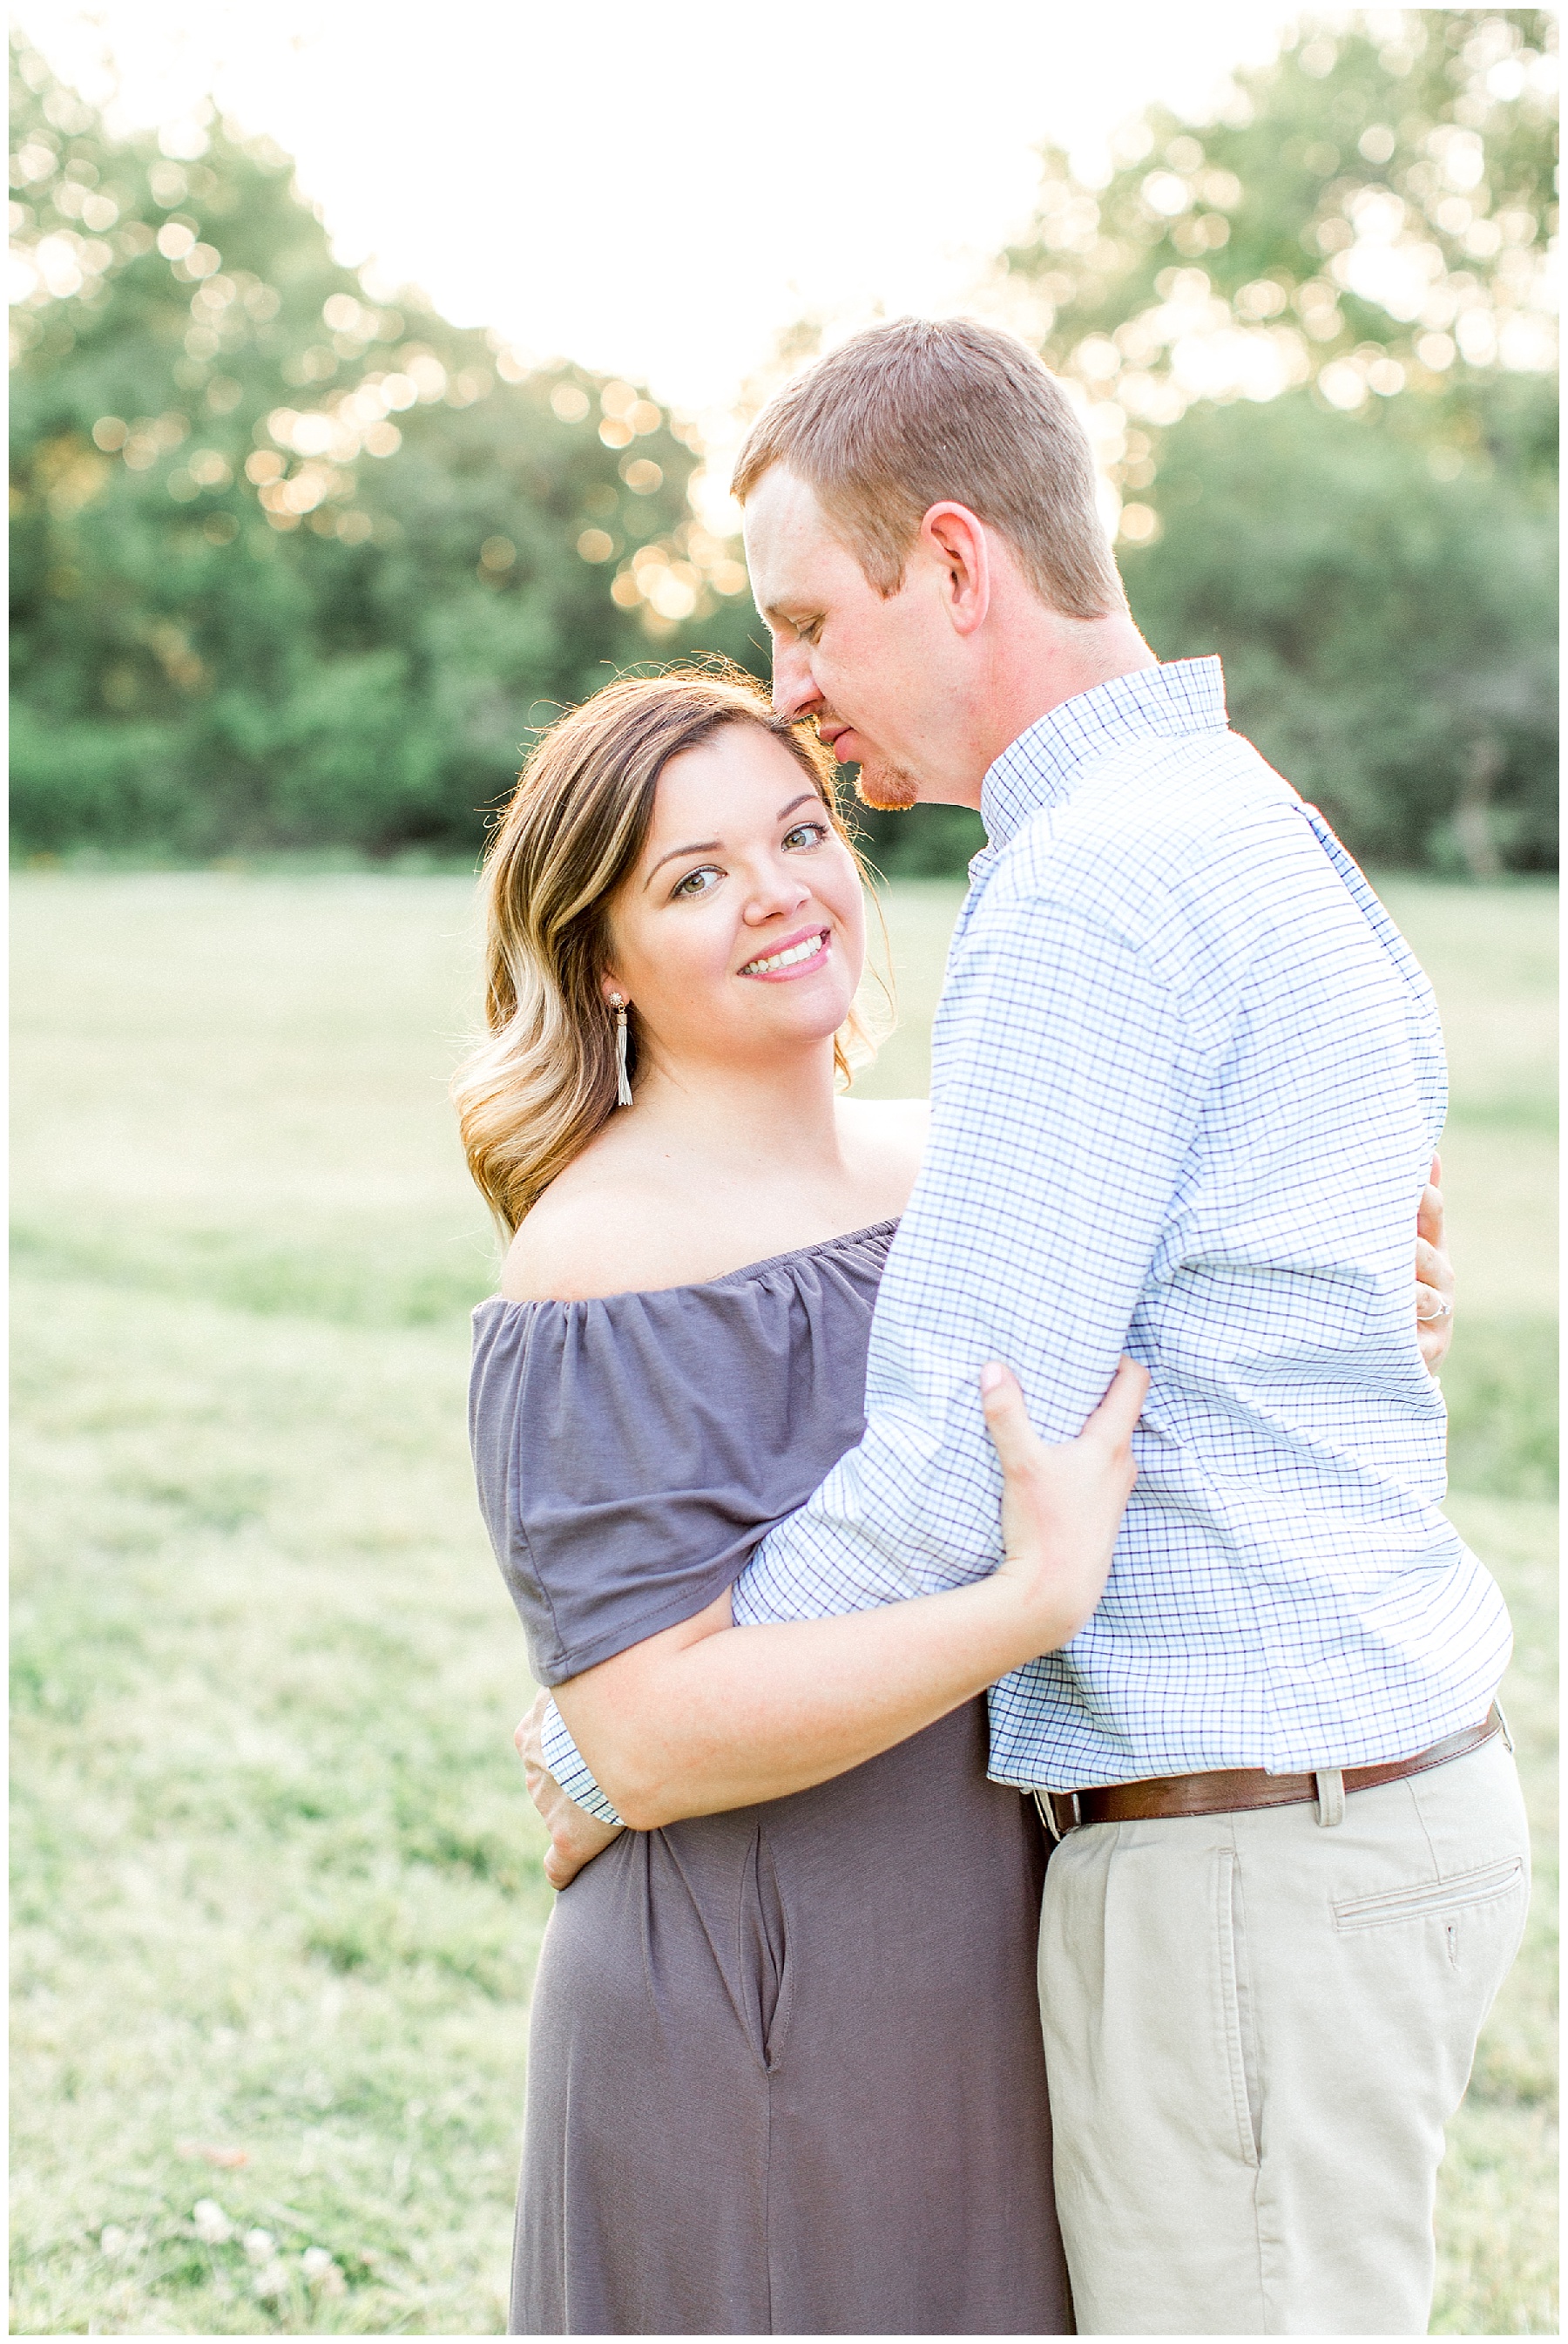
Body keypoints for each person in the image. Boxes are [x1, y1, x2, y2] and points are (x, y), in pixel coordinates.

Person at [527, 318, 1517, 2338]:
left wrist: (606, 1743)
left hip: (1254, 1860)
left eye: (809, 619)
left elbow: (963, 1455)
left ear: (957, 564)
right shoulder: (1247, 810)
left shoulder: (1088, 888)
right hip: (1357, 1807)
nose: (794, 696)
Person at [457, 668, 1147, 2335]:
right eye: (691, 876)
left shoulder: (963, 1165)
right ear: (599, 958)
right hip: (750, 1988)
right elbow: (640, 1735)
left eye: (799, 831)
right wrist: (1019, 1610)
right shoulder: (598, 1261)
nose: (778, 891)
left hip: (995, 1951)